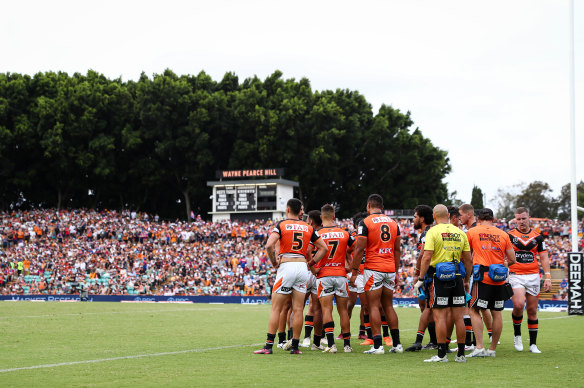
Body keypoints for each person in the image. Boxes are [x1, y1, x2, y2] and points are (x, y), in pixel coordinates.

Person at [254, 199, 328, 355]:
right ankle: (295, 347)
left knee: (276, 308)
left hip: (286, 266)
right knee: (299, 309)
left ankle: (268, 346)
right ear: (299, 210)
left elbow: (269, 245)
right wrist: (311, 262)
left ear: (288, 209)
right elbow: (324, 248)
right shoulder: (308, 227)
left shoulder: (281, 225)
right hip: (302, 267)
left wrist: (274, 262)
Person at [415, 204, 472, 363]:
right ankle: (461, 355)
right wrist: (466, 279)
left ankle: (441, 355)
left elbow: (426, 257)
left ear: (434, 216)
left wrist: (420, 278)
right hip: (457, 276)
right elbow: (468, 259)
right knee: (458, 317)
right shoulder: (460, 232)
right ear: (448, 215)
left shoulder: (432, 231)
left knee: (440, 316)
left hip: (438, 278)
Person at [350, 194, 402, 354]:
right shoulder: (394, 223)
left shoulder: (365, 222)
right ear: (382, 206)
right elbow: (397, 249)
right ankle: (397, 344)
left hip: (374, 269)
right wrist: (396, 271)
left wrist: (354, 271)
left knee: (372, 306)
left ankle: (378, 345)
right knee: (388, 306)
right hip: (389, 269)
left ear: (368, 206)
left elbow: (359, 249)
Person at [466, 208, 516, 358]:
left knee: (474, 310)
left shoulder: (473, 232)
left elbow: (466, 255)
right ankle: (492, 349)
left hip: (482, 277)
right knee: (497, 313)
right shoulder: (503, 234)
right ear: (493, 219)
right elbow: (512, 259)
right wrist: (501, 266)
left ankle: (479, 347)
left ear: (478, 219)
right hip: (499, 278)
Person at [311, 204, 355, 353]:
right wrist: (351, 267)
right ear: (334, 217)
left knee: (326, 309)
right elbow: (357, 248)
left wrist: (312, 268)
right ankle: (347, 345)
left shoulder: (317, 233)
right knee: (343, 311)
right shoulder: (344, 233)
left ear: (321, 217)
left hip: (324, 275)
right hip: (341, 274)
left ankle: (331, 345)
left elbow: (308, 250)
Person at [508, 207, 552, 354]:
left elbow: (544, 257)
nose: (521, 221)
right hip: (515, 274)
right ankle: (517, 335)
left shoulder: (538, 237)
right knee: (519, 305)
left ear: (529, 218)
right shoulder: (510, 235)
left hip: (533, 275)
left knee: (532, 310)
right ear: (515, 219)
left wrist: (548, 277)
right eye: (518, 219)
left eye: (523, 218)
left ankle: (533, 344)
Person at [460, 203, 493, 346]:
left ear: (468, 215)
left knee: (475, 306)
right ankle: (485, 336)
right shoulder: (470, 229)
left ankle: (473, 341)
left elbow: (469, 255)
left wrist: (467, 275)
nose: (459, 217)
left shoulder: (474, 230)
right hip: (478, 271)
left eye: (461, 214)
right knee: (479, 306)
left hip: (476, 272)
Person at [405, 204, 437, 352]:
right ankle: (434, 341)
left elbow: (424, 255)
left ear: (422, 219)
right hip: (431, 274)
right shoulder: (428, 232)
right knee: (427, 307)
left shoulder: (427, 233)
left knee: (427, 307)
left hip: (428, 275)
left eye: (415, 216)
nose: (413, 219)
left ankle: (423, 341)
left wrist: (418, 273)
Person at [302, 210, 325, 350]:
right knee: (316, 308)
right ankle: (317, 341)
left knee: (298, 306)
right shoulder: (323, 233)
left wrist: (310, 266)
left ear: (310, 221)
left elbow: (307, 251)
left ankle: (299, 338)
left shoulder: (310, 233)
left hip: (307, 271)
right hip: (317, 272)